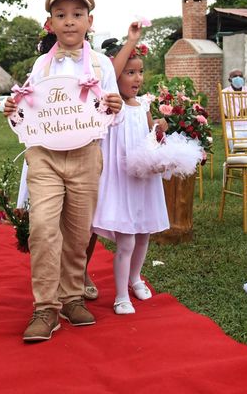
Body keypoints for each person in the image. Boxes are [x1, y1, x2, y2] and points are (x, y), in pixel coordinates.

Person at [4, 0, 123, 342]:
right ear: (49, 23)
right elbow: (30, 108)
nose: (69, 21)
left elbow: (109, 115)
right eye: (61, 15)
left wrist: (113, 108)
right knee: (42, 227)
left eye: (76, 14)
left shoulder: (101, 65)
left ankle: (71, 298)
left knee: (77, 231)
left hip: (86, 154)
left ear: (90, 21)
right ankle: (45, 307)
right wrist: (14, 108)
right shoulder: (42, 65)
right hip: (45, 155)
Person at [91, 45, 170, 315]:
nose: (137, 78)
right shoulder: (110, 105)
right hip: (120, 179)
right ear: (116, 77)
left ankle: (135, 278)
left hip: (143, 179)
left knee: (144, 232)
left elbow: (150, 137)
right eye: (130, 72)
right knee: (126, 240)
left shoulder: (144, 106)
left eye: (140, 72)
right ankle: (121, 294)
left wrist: (159, 130)